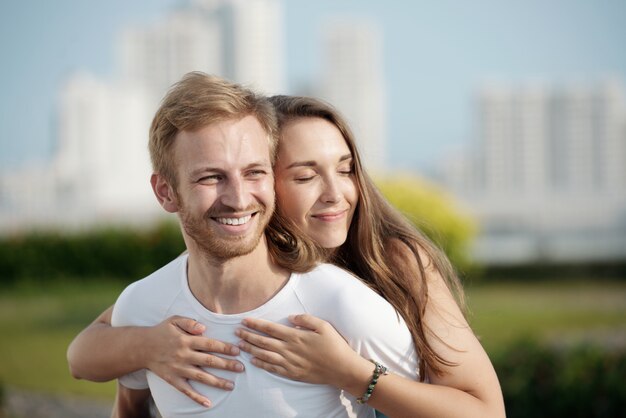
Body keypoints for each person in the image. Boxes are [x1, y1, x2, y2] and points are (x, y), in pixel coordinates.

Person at [68, 77, 505, 417]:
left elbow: (484, 410)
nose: (336, 193)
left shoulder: (393, 263)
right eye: (305, 175)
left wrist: (348, 373)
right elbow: (88, 351)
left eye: (346, 168)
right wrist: (145, 347)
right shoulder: (179, 287)